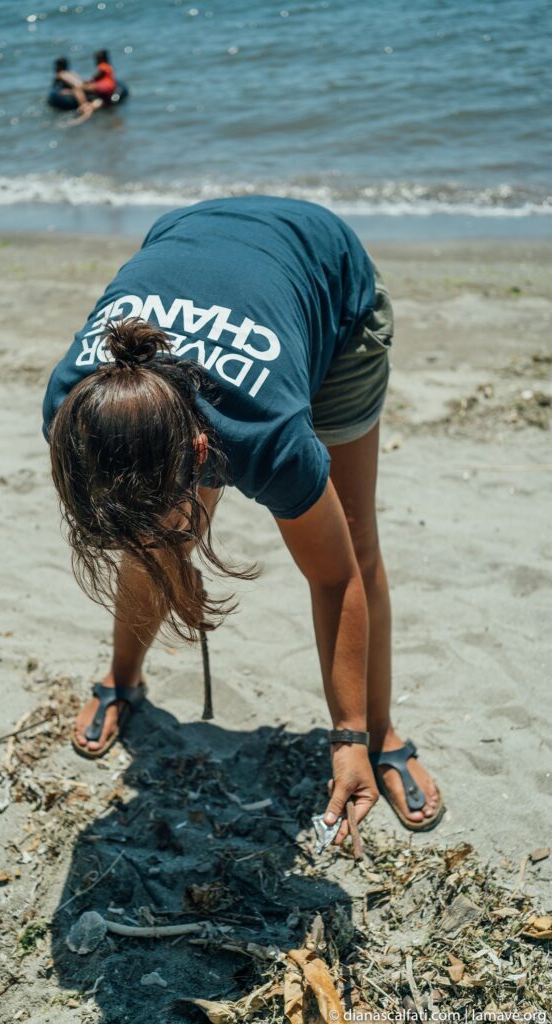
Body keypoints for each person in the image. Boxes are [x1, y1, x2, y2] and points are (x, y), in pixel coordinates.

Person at [42, 196, 445, 841]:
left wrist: (348, 733)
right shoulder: (75, 409)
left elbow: (336, 579)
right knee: (152, 531)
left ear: (207, 453)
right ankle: (122, 677)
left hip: (327, 277)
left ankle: (384, 735)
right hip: (195, 236)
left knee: (355, 534)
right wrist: (165, 551)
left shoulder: (268, 438)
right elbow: (140, 520)